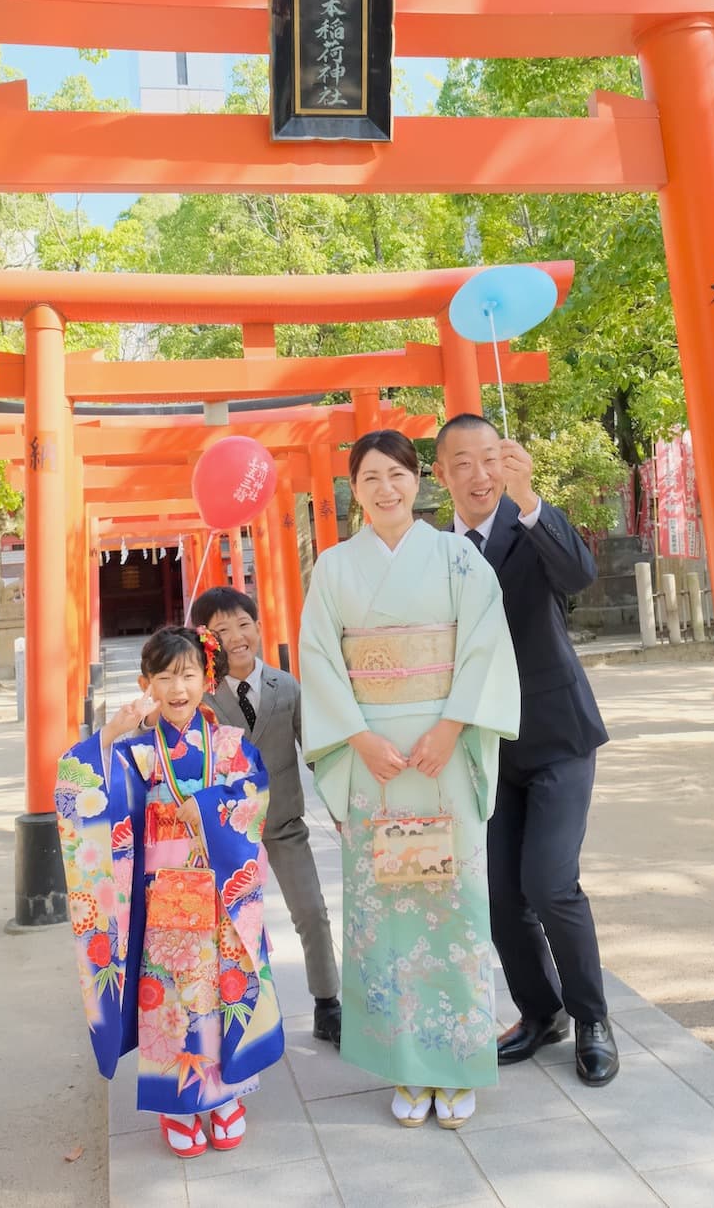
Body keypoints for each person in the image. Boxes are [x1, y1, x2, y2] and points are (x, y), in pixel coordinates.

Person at [299, 430, 521, 1130]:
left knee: (451, 906)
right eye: (370, 477)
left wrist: (452, 729)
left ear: (419, 480)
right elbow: (320, 661)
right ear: (353, 489)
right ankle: (404, 1062)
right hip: (376, 762)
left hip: (440, 755)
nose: (386, 488)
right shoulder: (333, 569)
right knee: (384, 913)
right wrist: (358, 738)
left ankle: (454, 1060)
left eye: (397, 474)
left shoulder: (458, 558)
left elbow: (485, 647)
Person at [432, 414, 619, 1087]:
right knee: (501, 895)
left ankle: (591, 1017)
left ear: (506, 461)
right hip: (485, 750)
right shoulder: (435, 554)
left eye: (490, 460)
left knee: (549, 882)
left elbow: (580, 573)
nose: (479, 476)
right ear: (441, 474)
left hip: (558, 735)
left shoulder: (530, 529)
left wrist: (532, 498)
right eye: (463, 464)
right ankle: (540, 1014)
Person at [54, 625, 285, 1159]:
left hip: (220, 895)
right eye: (165, 677)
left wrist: (206, 810)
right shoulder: (136, 750)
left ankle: (227, 1095)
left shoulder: (230, 744)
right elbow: (78, 787)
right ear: (146, 684)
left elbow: (254, 795)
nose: (177, 688)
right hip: (161, 901)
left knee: (225, 989)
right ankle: (177, 1101)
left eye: (188, 674)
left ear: (207, 679)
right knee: (171, 999)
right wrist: (109, 736)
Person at [190, 585, 342, 1046]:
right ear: (205, 639)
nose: (236, 636)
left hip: (284, 823)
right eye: (221, 629)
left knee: (312, 912)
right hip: (227, 834)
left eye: (243, 624)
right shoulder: (201, 695)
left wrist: (340, 807)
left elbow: (315, 753)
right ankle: (225, 1013)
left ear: (257, 626)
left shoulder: (286, 687)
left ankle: (327, 1004)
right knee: (229, 926)